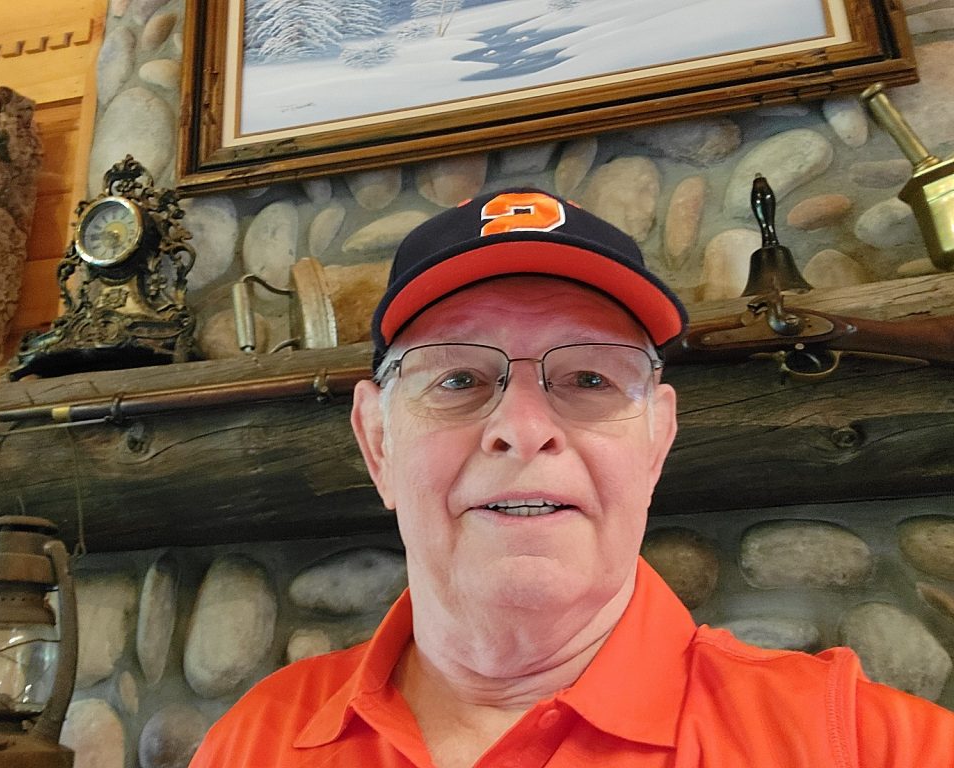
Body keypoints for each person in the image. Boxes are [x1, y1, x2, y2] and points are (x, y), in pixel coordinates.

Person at [189, 188, 954, 768]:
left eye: (589, 377)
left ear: (657, 438)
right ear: (377, 439)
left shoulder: (864, 743)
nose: (522, 427)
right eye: (457, 379)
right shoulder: (254, 743)